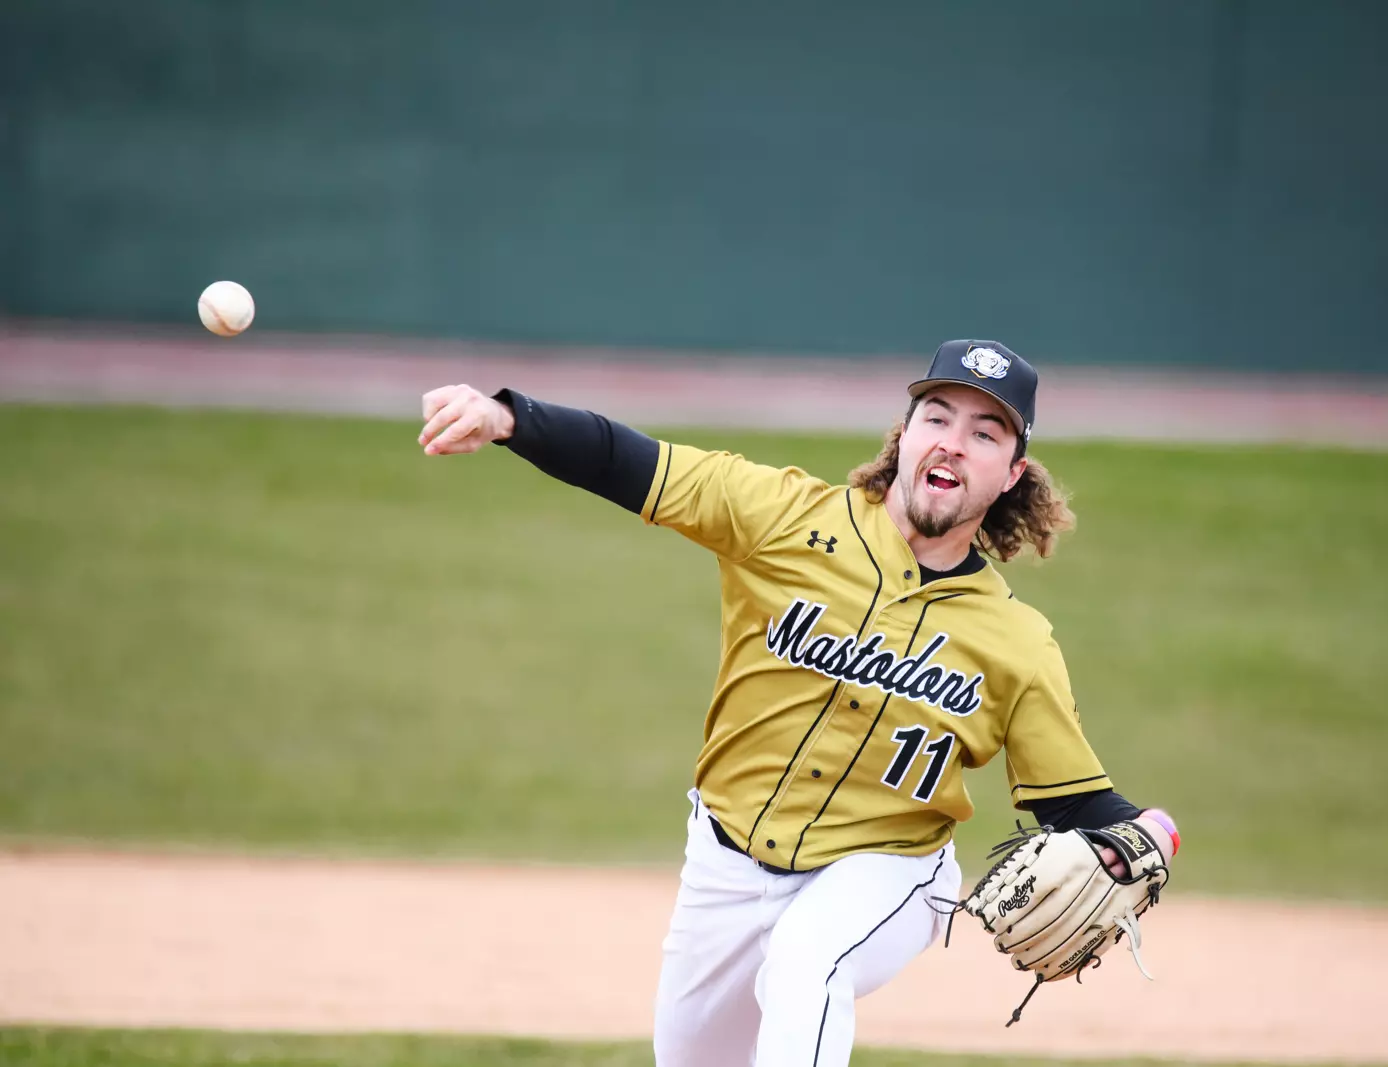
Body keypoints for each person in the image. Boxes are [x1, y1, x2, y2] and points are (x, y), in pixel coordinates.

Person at [417, 339, 1179, 1067]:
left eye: (986, 433)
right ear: (904, 435)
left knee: (807, 960)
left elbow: (1078, 802)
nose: (953, 441)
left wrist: (1152, 831)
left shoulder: (1018, 641)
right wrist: (508, 418)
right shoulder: (783, 515)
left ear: (1012, 473)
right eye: (938, 417)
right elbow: (630, 462)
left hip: (888, 870)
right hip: (723, 860)